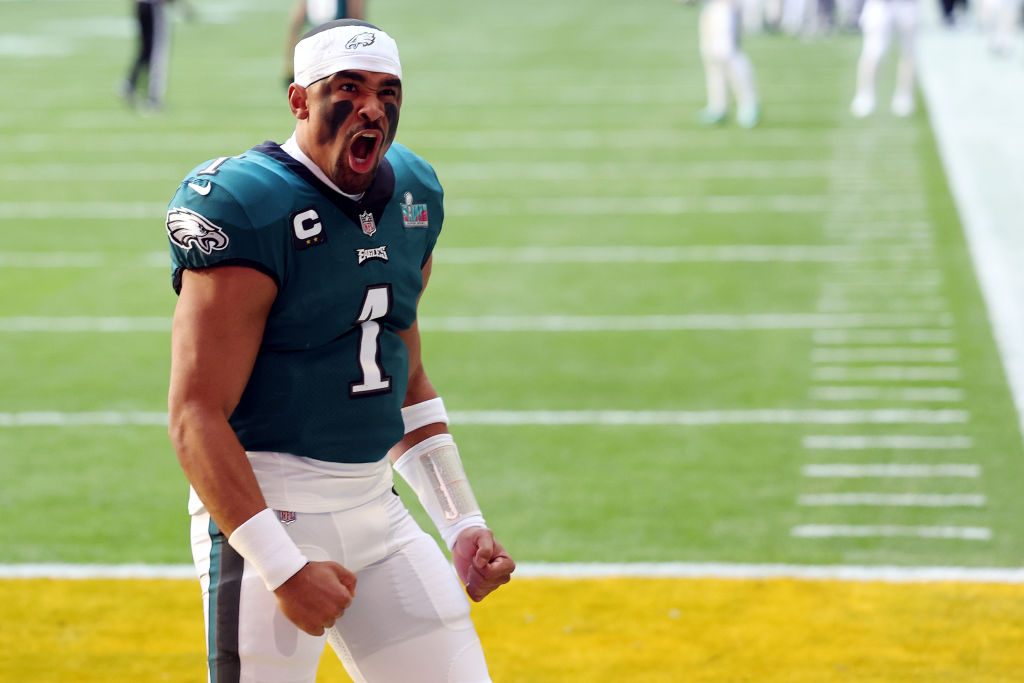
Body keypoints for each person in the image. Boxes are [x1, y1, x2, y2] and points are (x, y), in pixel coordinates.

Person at [165, 19, 515, 682]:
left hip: (377, 506)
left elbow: (403, 376)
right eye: (348, 88)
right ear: (299, 100)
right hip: (268, 509)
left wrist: (460, 519)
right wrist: (281, 565)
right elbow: (194, 414)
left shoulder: (412, 193)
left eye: (387, 92)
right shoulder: (249, 205)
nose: (372, 108)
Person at [696, 0, 761, 128]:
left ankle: (749, 105)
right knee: (711, 55)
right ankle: (718, 107)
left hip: (726, 5)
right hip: (711, 5)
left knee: (728, 53)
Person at [850, 0, 919, 117]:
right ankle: (865, 95)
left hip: (907, 4)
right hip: (880, 4)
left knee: (908, 52)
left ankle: (905, 95)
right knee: (872, 52)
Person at [283, 0, 365, 85]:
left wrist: (290, 64)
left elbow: (296, 24)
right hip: (340, 53)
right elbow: (357, 18)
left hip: (317, 54)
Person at [122, 0, 181, 109]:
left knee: (146, 50)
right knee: (157, 50)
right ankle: (153, 97)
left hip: (142, 5)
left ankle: (130, 85)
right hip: (153, 7)